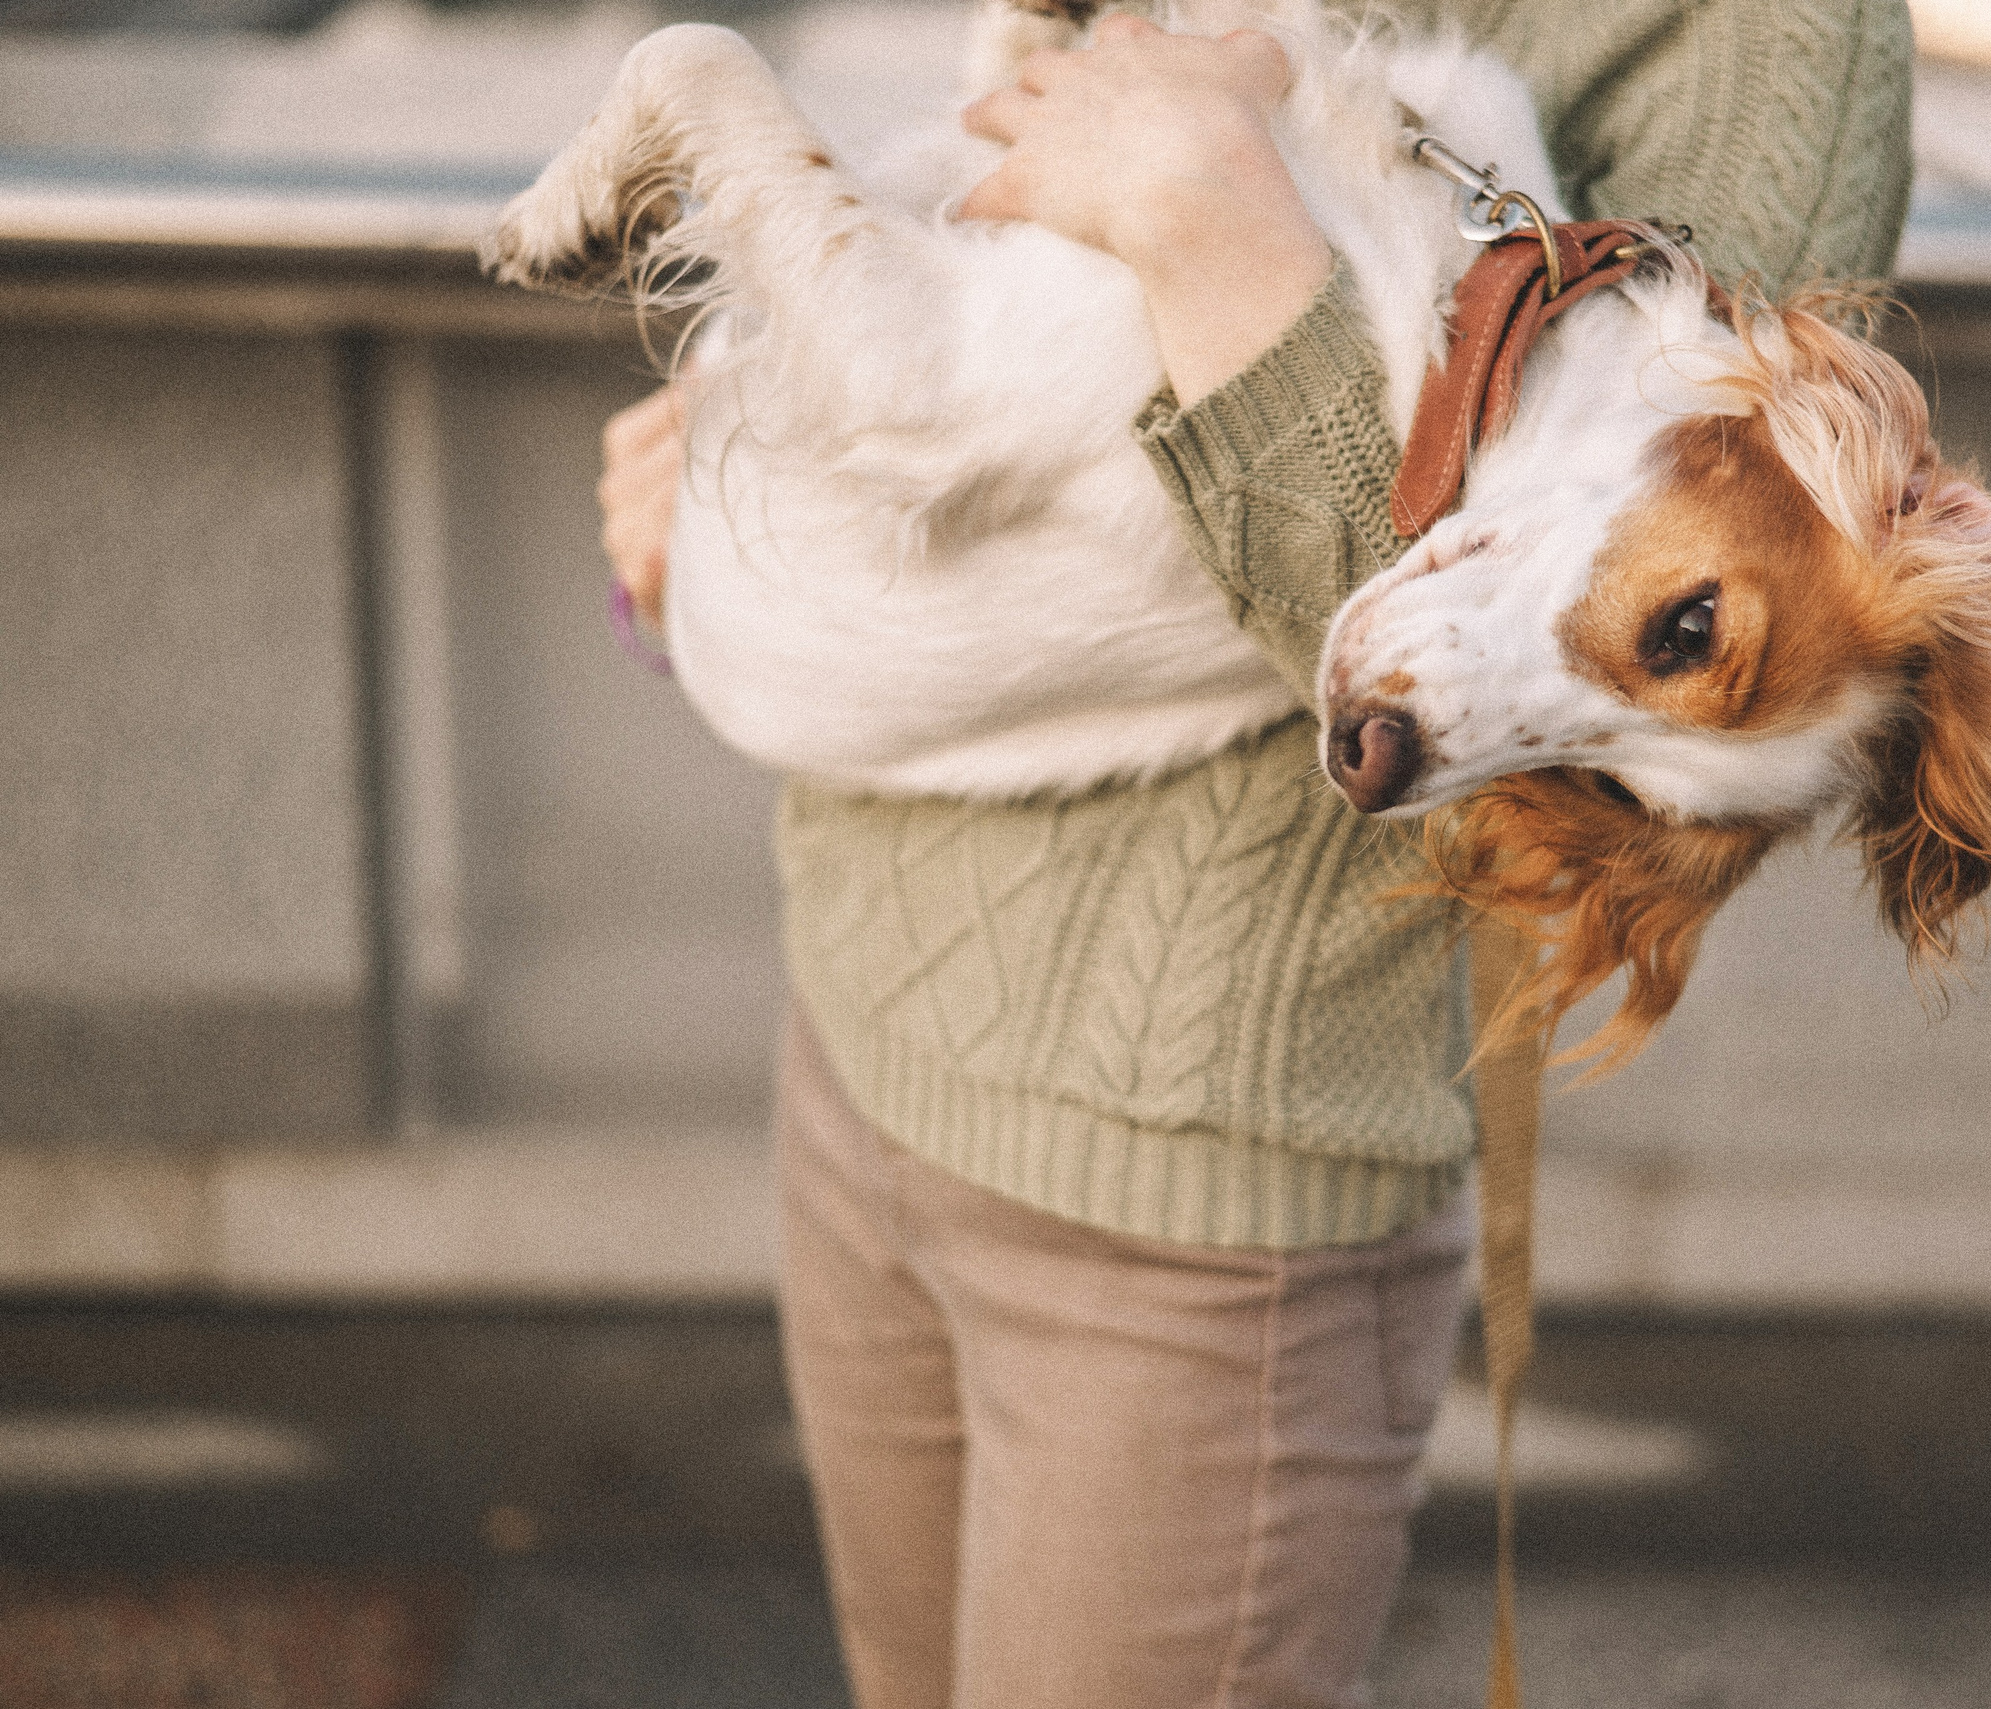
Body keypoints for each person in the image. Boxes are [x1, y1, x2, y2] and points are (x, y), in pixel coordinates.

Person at [596, 3, 1911, 1705]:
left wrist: (1225, 226)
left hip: (1199, 1214)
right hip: (864, 1018)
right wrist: (721, 494)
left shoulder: (1769, 39)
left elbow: (1550, 709)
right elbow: (1002, 239)